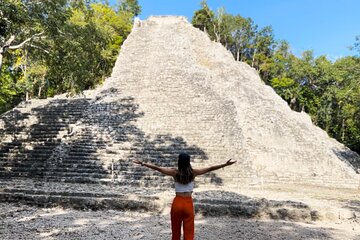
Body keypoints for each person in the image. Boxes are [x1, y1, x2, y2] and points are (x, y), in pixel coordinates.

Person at [133, 153, 236, 240]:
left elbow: (158, 169)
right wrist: (225, 164)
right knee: (189, 230)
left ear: (179, 162)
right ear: (188, 162)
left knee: (176, 229)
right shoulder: (194, 172)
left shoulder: (174, 172)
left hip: (177, 203)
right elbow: (210, 168)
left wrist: (143, 163)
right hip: (188, 203)